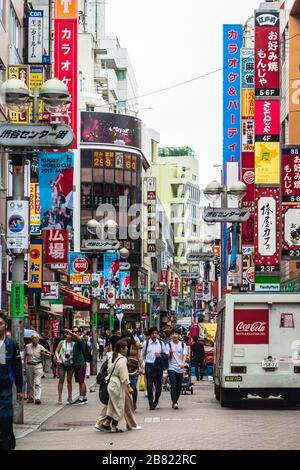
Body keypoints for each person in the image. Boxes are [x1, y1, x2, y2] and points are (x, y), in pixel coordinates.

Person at [96, 340, 137, 433]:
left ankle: (108, 424)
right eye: (126, 347)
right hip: (117, 384)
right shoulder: (122, 360)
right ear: (122, 349)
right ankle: (112, 426)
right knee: (119, 407)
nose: (127, 349)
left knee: (113, 406)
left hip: (111, 383)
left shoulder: (112, 357)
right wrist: (129, 387)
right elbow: (124, 375)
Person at [0, 314, 23, 450]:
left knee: (5, 417)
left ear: (5, 325)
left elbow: (17, 367)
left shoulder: (11, 344)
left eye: (1, 323)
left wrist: (20, 389)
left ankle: (7, 445)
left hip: (5, 388)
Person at [142, 326, 166, 410]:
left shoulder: (161, 343)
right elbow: (143, 355)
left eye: (156, 333)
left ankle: (156, 400)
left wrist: (160, 355)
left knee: (158, 387)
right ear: (150, 334)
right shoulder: (146, 343)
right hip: (149, 366)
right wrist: (144, 365)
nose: (154, 335)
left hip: (158, 367)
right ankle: (150, 403)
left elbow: (165, 354)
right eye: (152, 333)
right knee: (149, 385)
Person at [24, 333, 51, 404]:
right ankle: (30, 397)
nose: (34, 339)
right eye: (33, 338)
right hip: (29, 365)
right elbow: (25, 356)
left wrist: (44, 354)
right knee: (30, 383)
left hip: (38, 365)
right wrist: (24, 367)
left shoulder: (41, 347)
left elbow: (49, 355)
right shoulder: (27, 346)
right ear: (31, 339)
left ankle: (37, 398)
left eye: (36, 338)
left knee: (37, 382)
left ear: (38, 339)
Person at [165, 329, 188, 409]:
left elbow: (185, 355)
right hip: (171, 367)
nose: (174, 335)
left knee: (179, 386)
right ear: (171, 336)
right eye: (173, 334)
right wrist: (170, 353)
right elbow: (167, 357)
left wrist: (183, 363)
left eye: (176, 334)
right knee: (173, 385)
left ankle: (175, 400)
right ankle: (175, 402)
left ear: (179, 335)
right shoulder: (168, 345)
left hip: (180, 368)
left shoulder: (182, 345)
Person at [67, 327, 88, 405]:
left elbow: (78, 338)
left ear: (80, 332)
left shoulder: (81, 339)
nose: (74, 333)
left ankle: (81, 398)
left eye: (76, 332)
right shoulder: (76, 341)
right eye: (73, 331)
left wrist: (71, 333)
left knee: (81, 381)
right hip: (78, 363)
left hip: (80, 363)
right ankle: (84, 397)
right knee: (81, 381)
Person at [55, 331, 75, 404]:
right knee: (61, 380)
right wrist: (58, 358)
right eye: (67, 334)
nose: (68, 336)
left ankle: (70, 397)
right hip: (62, 363)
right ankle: (60, 397)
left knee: (69, 381)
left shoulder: (74, 344)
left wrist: (72, 357)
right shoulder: (62, 342)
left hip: (70, 363)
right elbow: (56, 351)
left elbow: (75, 353)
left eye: (69, 334)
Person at [125, 331, 143, 411]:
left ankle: (134, 402)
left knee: (134, 387)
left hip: (135, 368)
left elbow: (139, 357)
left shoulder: (136, 344)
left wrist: (141, 368)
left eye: (128, 337)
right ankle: (128, 404)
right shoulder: (123, 345)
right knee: (126, 387)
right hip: (125, 368)